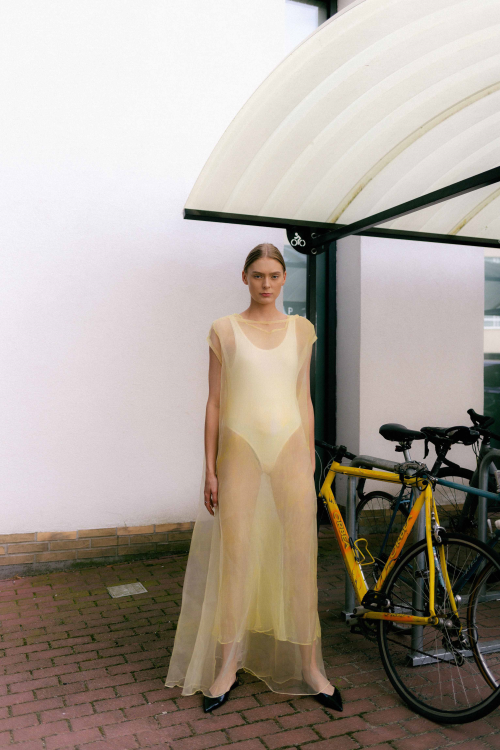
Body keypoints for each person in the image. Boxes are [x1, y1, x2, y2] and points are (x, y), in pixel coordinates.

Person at [165, 243, 342, 714]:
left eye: (274, 275)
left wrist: (309, 455)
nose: (266, 284)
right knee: (236, 557)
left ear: (285, 279)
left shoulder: (302, 330)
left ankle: (311, 668)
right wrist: (209, 468)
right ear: (244, 277)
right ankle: (227, 665)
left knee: (300, 556)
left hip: (291, 452)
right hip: (239, 451)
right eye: (258, 275)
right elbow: (214, 402)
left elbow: (303, 397)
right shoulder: (224, 330)